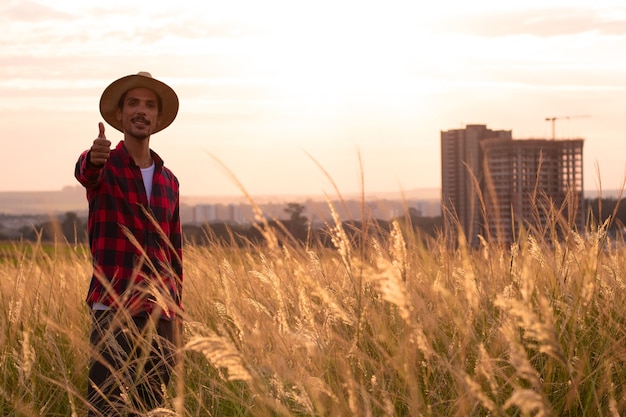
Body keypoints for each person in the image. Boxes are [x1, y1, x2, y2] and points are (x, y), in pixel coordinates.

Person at [75, 71, 183, 416]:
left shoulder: (170, 182)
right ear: (119, 115)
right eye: (133, 103)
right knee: (104, 408)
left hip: (159, 315)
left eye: (149, 105)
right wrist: (93, 157)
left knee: (151, 409)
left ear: (158, 118)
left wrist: (177, 314)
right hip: (114, 309)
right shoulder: (105, 164)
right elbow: (86, 172)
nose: (142, 111)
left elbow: (174, 252)